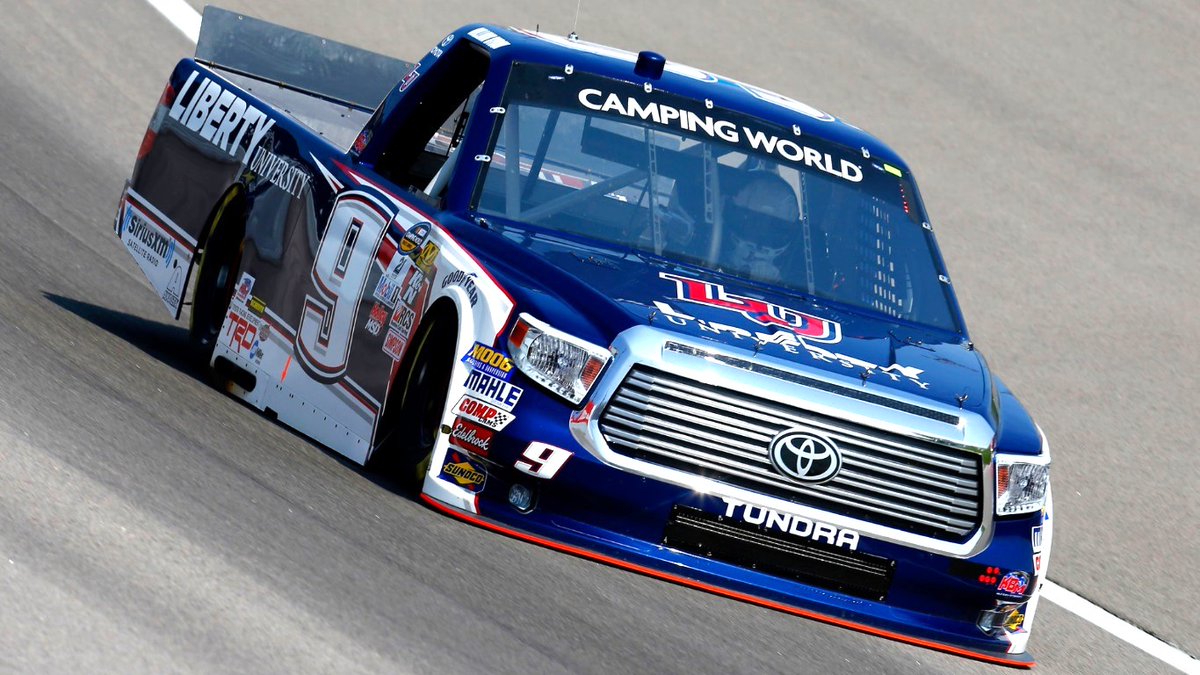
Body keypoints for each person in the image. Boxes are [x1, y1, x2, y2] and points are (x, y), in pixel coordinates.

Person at [719, 170, 801, 282]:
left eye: (773, 228)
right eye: (753, 223)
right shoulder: (703, 258)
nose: (761, 230)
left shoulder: (802, 288)